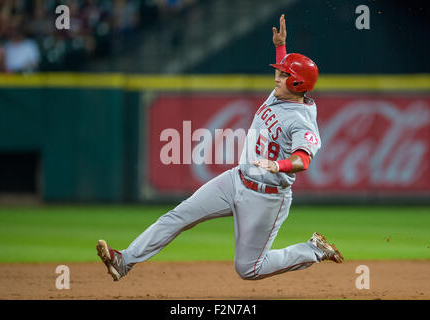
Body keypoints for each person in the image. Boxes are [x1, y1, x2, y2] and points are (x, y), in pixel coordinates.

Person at [97, 14, 344, 282]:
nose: (277, 78)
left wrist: (278, 165)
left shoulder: (301, 120)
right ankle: (125, 260)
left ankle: (312, 250)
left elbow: (303, 160)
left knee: (248, 269)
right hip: (236, 179)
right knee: (179, 215)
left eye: (284, 74)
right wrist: (280, 46)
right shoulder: (280, 94)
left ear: (297, 83)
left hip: (267, 197)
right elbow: (284, 75)